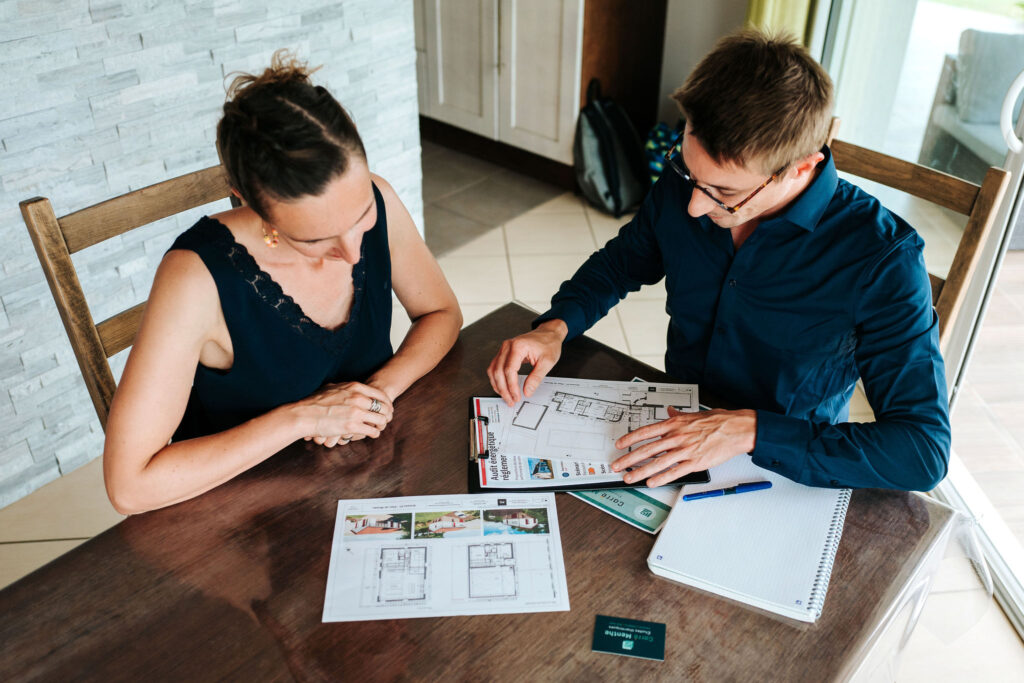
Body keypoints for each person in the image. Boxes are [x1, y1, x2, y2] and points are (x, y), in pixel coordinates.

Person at [487, 29, 951, 492]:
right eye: (688, 170)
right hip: (673, 425)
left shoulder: (883, 259)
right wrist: (556, 326)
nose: (692, 206)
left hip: (784, 466)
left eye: (723, 192)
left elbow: (922, 450)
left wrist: (748, 430)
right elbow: (623, 262)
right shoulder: (689, 181)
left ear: (801, 168)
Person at [104, 51, 462, 514]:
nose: (354, 252)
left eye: (361, 218)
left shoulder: (380, 197)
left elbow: (441, 313)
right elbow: (130, 487)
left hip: (363, 483)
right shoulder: (196, 278)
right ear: (252, 206)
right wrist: (304, 417)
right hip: (243, 520)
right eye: (315, 239)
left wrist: (378, 395)